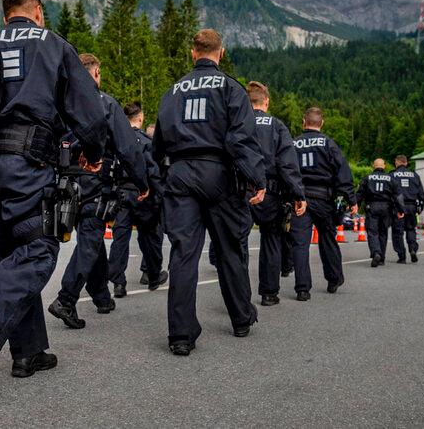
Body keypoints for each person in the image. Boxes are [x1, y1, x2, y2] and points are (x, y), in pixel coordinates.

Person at [0, 0, 108, 405]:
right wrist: (93, 152)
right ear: (36, 10)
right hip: (26, 162)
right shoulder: (51, 44)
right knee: (38, 250)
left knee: (9, 256)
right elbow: (88, 109)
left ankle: (29, 352)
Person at [152, 29, 266, 356]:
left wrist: (160, 178)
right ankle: (241, 318)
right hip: (219, 174)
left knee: (183, 253)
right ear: (222, 52)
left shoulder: (172, 91)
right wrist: (257, 178)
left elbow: (159, 144)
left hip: (180, 173)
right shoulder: (231, 88)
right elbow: (241, 140)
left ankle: (181, 336)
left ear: (193, 53)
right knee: (229, 247)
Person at [48, 55, 149, 328]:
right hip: (95, 179)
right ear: (95, 74)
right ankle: (66, 299)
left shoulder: (58, 103)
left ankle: (102, 296)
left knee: (91, 240)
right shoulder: (103, 102)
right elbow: (128, 147)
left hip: (62, 182)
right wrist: (142, 182)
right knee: (91, 239)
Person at [245, 82, 307, 306]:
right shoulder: (277, 126)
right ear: (267, 101)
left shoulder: (237, 123)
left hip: (241, 190)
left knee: (237, 243)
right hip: (271, 192)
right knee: (271, 240)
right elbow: (288, 165)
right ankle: (269, 293)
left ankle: (239, 296)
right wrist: (298, 194)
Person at [291, 107, 357, 300]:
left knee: (300, 243)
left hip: (300, 199)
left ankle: (302, 289)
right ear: (322, 123)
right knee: (327, 239)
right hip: (324, 199)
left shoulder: (294, 143)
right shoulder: (329, 144)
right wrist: (351, 199)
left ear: (304, 122)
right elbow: (342, 173)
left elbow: (286, 169)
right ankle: (333, 278)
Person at [107, 101, 167, 297]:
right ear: (140, 118)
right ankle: (152, 275)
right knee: (150, 236)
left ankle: (118, 283)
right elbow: (153, 172)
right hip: (143, 194)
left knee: (120, 238)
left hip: (121, 192)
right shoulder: (146, 142)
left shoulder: (117, 140)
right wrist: (158, 198)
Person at [358, 158, 405, 267]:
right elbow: (398, 196)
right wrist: (401, 210)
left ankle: (376, 253)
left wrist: (354, 204)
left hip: (372, 207)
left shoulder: (367, 178)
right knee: (383, 233)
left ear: (373, 166)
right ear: (384, 166)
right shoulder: (391, 179)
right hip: (386, 208)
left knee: (372, 232)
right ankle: (381, 258)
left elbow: (360, 194)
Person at [391, 155, 424, 263]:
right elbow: (421, 194)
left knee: (398, 232)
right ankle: (412, 249)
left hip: (398, 207)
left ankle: (402, 256)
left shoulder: (392, 175)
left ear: (396, 163)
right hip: (412, 206)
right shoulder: (415, 175)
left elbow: (389, 193)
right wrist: (420, 208)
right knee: (411, 229)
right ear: (406, 163)